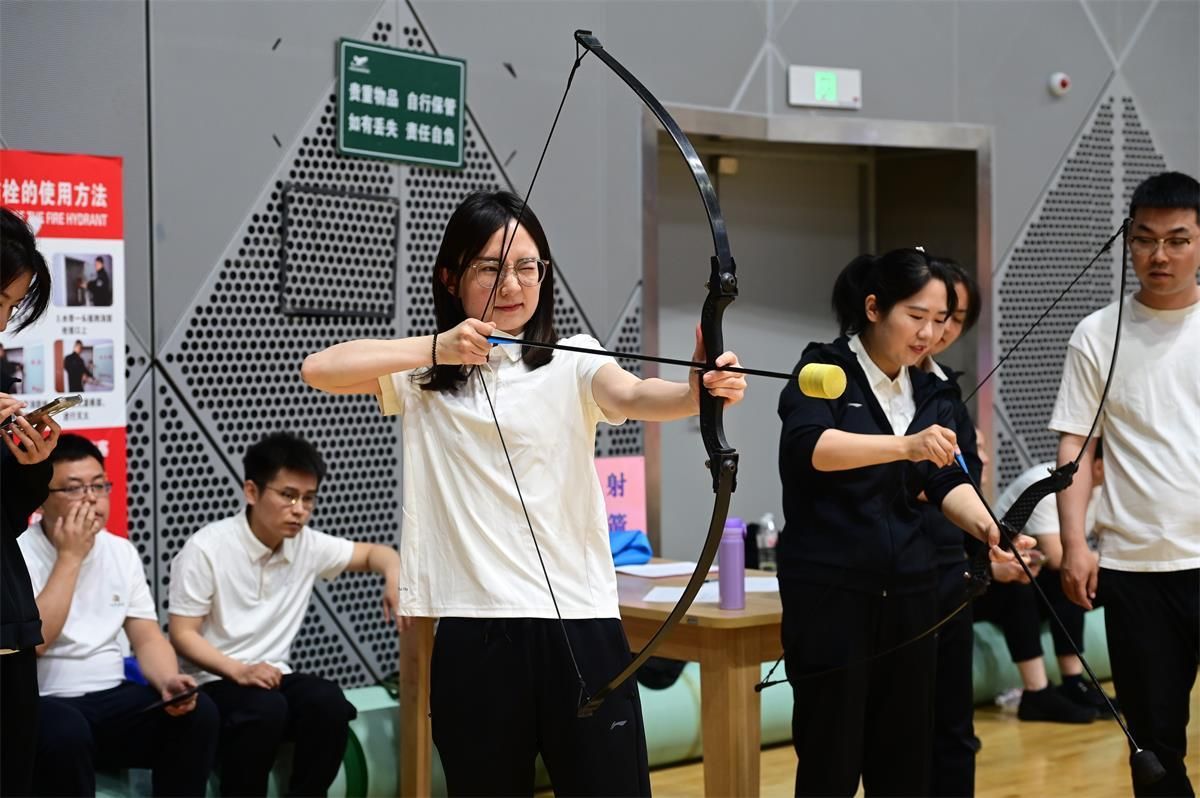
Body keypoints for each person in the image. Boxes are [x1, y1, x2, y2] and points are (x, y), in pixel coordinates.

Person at [300, 189, 747, 796]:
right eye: (490, 266)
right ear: (451, 275)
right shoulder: (423, 375)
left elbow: (637, 395)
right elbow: (319, 368)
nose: (512, 284)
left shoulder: (576, 359)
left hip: (580, 622)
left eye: (527, 266)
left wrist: (697, 391)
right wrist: (439, 347)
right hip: (474, 628)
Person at [776, 248, 1033, 797]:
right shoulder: (826, 368)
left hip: (915, 596)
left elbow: (946, 481)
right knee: (831, 758)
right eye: (915, 316)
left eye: (940, 321)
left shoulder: (935, 391)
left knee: (906, 761)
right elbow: (810, 447)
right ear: (874, 307)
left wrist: (991, 530)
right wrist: (904, 445)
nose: (928, 333)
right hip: (833, 595)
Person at [1050, 170, 1200, 796]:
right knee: (1154, 742)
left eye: (1178, 239)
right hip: (1135, 564)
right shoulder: (1096, 333)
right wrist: (1076, 543)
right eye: (1144, 239)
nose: (1159, 255)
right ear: (1127, 243)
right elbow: (1076, 448)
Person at [168, 432, 405, 796]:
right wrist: (239, 670)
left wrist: (393, 575)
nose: (300, 510)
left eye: (308, 499)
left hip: (274, 677)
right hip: (214, 680)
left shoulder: (306, 543)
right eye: (288, 495)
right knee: (265, 711)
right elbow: (182, 635)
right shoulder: (206, 548)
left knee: (329, 702)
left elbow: (376, 554)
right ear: (252, 492)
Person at [20, 434, 218, 796]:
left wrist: (168, 681)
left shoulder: (120, 551)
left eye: (99, 485)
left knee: (197, 715)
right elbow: (37, 642)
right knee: (66, 732)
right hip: (47, 700)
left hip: (112, 696)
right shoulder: (19, 553)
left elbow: (146, 636)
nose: (92, 499)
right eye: (74, 489)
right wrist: (70, 557)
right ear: (42, 499)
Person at [973, 444, 1113, 724]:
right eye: (977, 448)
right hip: (984, 588)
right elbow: (1061, 556)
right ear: (1097, 466)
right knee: (1029, 579)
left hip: (1013, 575)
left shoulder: (1099, 493)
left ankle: (1074, 682)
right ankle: (1037, 693)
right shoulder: (1049, 488)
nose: (986, 457)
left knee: (1071, 579)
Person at [916, 258, 986, 796]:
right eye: (929, 314)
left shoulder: (947, 388)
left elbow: (964, 481)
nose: (938, 331)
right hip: (889, 574)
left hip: (949, 572)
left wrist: (992, 538)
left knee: (955, 730)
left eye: (952, 319)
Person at [0, 205, 59, 798]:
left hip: (8, 625)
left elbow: (6, 521)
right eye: (0, 301)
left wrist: (31, 470)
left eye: (11, 309)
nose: (1, 324)